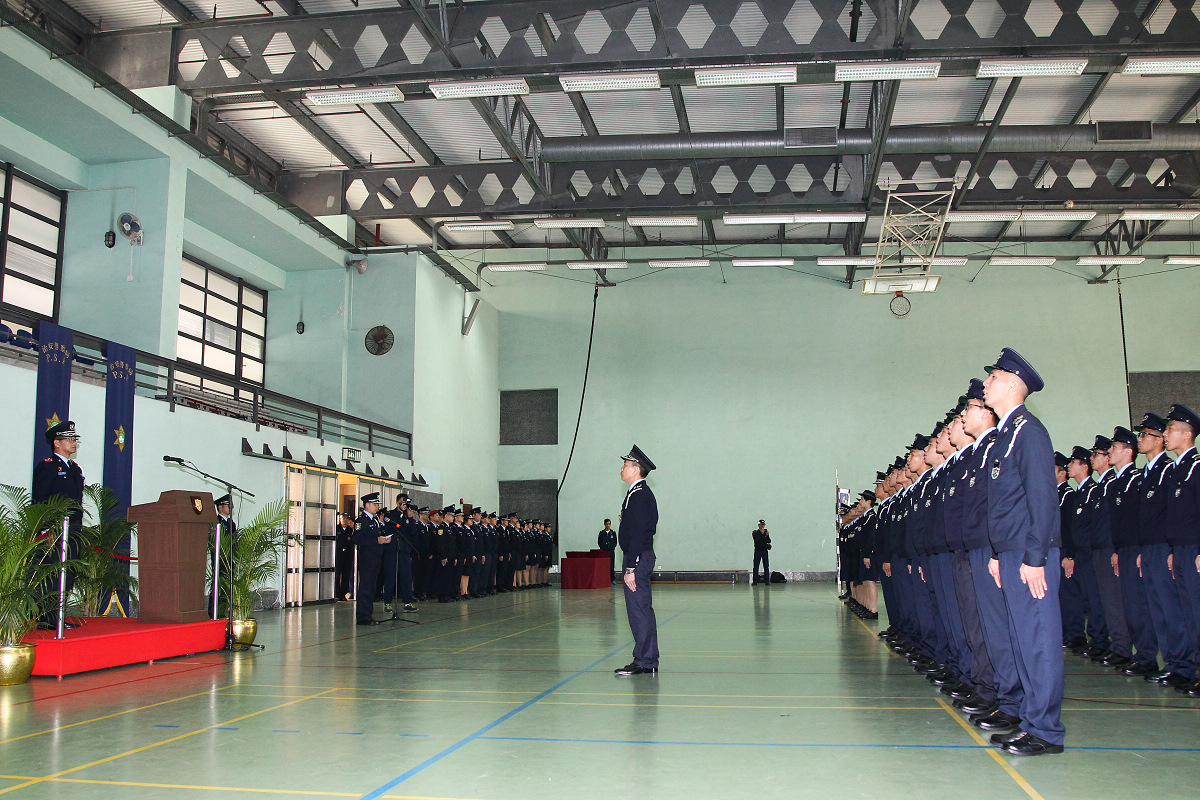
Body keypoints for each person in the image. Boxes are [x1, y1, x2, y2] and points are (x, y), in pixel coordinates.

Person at [981, 347, 1065, 756]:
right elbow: (1007, 504)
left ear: (1014, 384)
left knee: (1039, 640)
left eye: (993, 377)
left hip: (1032, 555)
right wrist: (999, 554)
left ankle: (1046, 730)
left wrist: (1035, 558)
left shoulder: (1029, 431)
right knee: (1022, 640)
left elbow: (1043, 498)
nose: (986, 383)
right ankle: (1031, 720)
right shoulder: (1007, 435)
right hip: (1012, 553)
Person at [32, 420, 84, 630]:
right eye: (69, 439)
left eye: (74, 439)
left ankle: (58, 615)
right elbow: (41, 500)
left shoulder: (75, 469)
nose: (73, 442)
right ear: (56, 442)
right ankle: (47, 617)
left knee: (68, 572)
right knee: (52, 572)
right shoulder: (47, 467)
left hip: (72, 528)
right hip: (54, 529)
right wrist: (47, 529)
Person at [615, 445, 659, 677]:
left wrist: (631, 566)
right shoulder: (636, 493)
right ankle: (646, 658)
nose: (622, 468)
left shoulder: (640, 495)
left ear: (635, 469)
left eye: (625, 464)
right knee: (641, 609)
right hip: (638, 557)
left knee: (638, 610)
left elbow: (640, 533)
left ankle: (645, 660)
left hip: (637, 559)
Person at [353, 492, 388, 625]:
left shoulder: (374, 520)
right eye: (375, 504)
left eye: (377, 504)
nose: (377, 506)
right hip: (367, 559)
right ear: (367, 505)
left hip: (376, 558)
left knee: (372, 588)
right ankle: (363, 617)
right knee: (366, 588)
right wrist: (376, 540)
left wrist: (384, 539)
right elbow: (357, 539)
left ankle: (368, 614)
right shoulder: (361, 521)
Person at [335, 513, 355, 601]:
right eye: (343, 518)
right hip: (338, 555)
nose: (345, 520)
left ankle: (343, 594)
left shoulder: (350, 530)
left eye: (347, 518)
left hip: (347, 555)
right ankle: (337, 594)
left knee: (346, 575)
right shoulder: (336, 529)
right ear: (340, 519)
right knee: (337, 575)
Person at [751, 520, 772, 585]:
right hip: (758, 551)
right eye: (761, 524)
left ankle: (767, 581)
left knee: (766, 566)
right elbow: (757, 540)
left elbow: (769, 540)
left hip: (764, 551)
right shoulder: (755, 532)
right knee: (756, 566)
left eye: (763, 524)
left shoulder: (766, 532)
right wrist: (764, 535)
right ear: (759, 525)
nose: (763, 526)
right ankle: (755, 581)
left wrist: (767, 535)